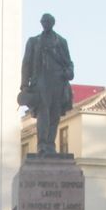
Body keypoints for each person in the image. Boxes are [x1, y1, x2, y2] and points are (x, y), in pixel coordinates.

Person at [19, 12, 74, 155]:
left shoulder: (61, 42)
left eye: (48, 22)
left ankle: (50, 144)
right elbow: (26, 64)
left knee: (55, 113)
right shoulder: (33, 41)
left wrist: (69, 72)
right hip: (41, 81)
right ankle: (42, 144)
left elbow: (69, 63)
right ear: (41, 23)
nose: (46, 24)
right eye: (44, 21)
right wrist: (24, 85)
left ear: (52, 23)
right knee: (44, 113)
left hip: (58, 81)